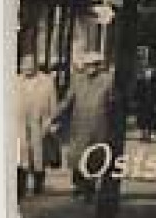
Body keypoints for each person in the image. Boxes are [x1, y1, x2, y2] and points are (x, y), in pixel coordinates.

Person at [61, 56, 116, 202]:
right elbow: (67, 101)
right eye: (88, 65)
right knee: (77, 158)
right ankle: (78, 186)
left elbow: (113, 104)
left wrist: (112, 125)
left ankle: (89, 189)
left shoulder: (107, 81)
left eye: (94, 65)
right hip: (79, 126)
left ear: (99, 66)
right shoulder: (77, 80)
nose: (90, 68)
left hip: (99, 127)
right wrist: (53, 117)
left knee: (94, 159)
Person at [15, 54, 59, 200]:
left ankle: (38, 187)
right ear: (21, 66)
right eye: (24, 65)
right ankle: (20, 189)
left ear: (36, 66)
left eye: (30, 65)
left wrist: (52, 122)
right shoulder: (15, 81)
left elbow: (53, 104)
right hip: (19, 124)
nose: (27, 68)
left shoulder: (47, 81)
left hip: (40, 124)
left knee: (39, 157)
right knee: (21, 156)